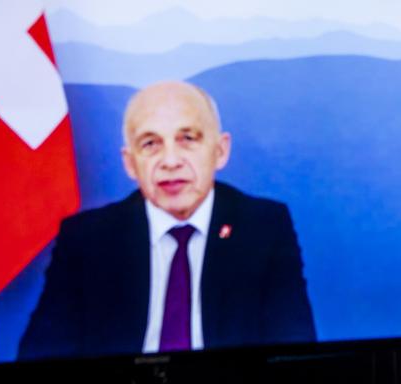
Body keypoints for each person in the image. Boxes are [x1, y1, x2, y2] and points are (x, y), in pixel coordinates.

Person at [18, 81, 316, 360]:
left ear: (220, 151)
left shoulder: (263, 228)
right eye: (150, 144)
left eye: (187, 139)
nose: (170, 161)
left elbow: (294, 354)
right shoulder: (87, 239)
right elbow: (42, 360)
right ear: (130, 163)